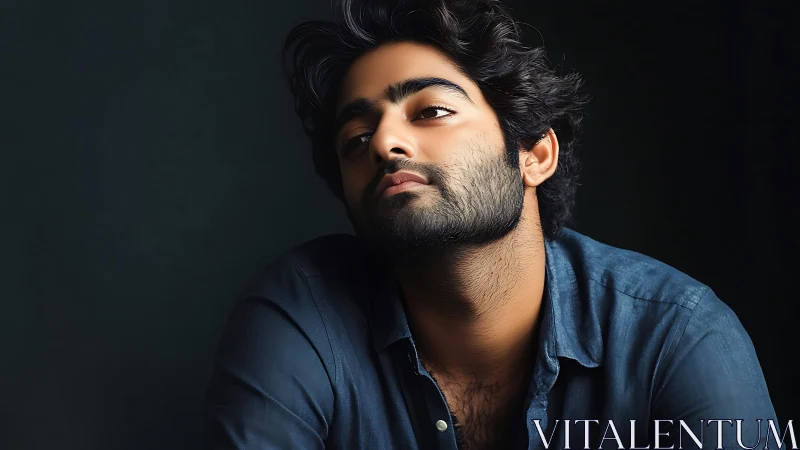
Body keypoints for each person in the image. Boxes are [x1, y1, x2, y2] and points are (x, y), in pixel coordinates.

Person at [204, 0, 780, 448]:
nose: (383, 142)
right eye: (356, 138)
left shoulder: (677, 336)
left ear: (534, 154)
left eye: (430, 111)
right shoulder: (301, 316)